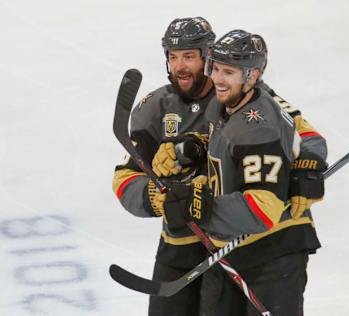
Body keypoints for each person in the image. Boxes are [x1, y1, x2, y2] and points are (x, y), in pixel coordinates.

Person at [159, 30, 328, 316]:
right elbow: (226, 147)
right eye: (215, 68)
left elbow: (262, 211)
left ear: (252, 75)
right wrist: (193, 148)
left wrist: (198, 207)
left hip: (273, 251)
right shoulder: (225, 103)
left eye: (229, 72)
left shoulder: (258, 125)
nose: (218, 79)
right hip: (230, 246)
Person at [112, 17, 216, 316]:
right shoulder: (155, 107)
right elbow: (126, 177)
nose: (179, 66)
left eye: (188, 56)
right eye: (173, 57)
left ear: (208, 57)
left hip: (234, 242)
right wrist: (154, 199)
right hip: (179, 245)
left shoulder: (232, 95)